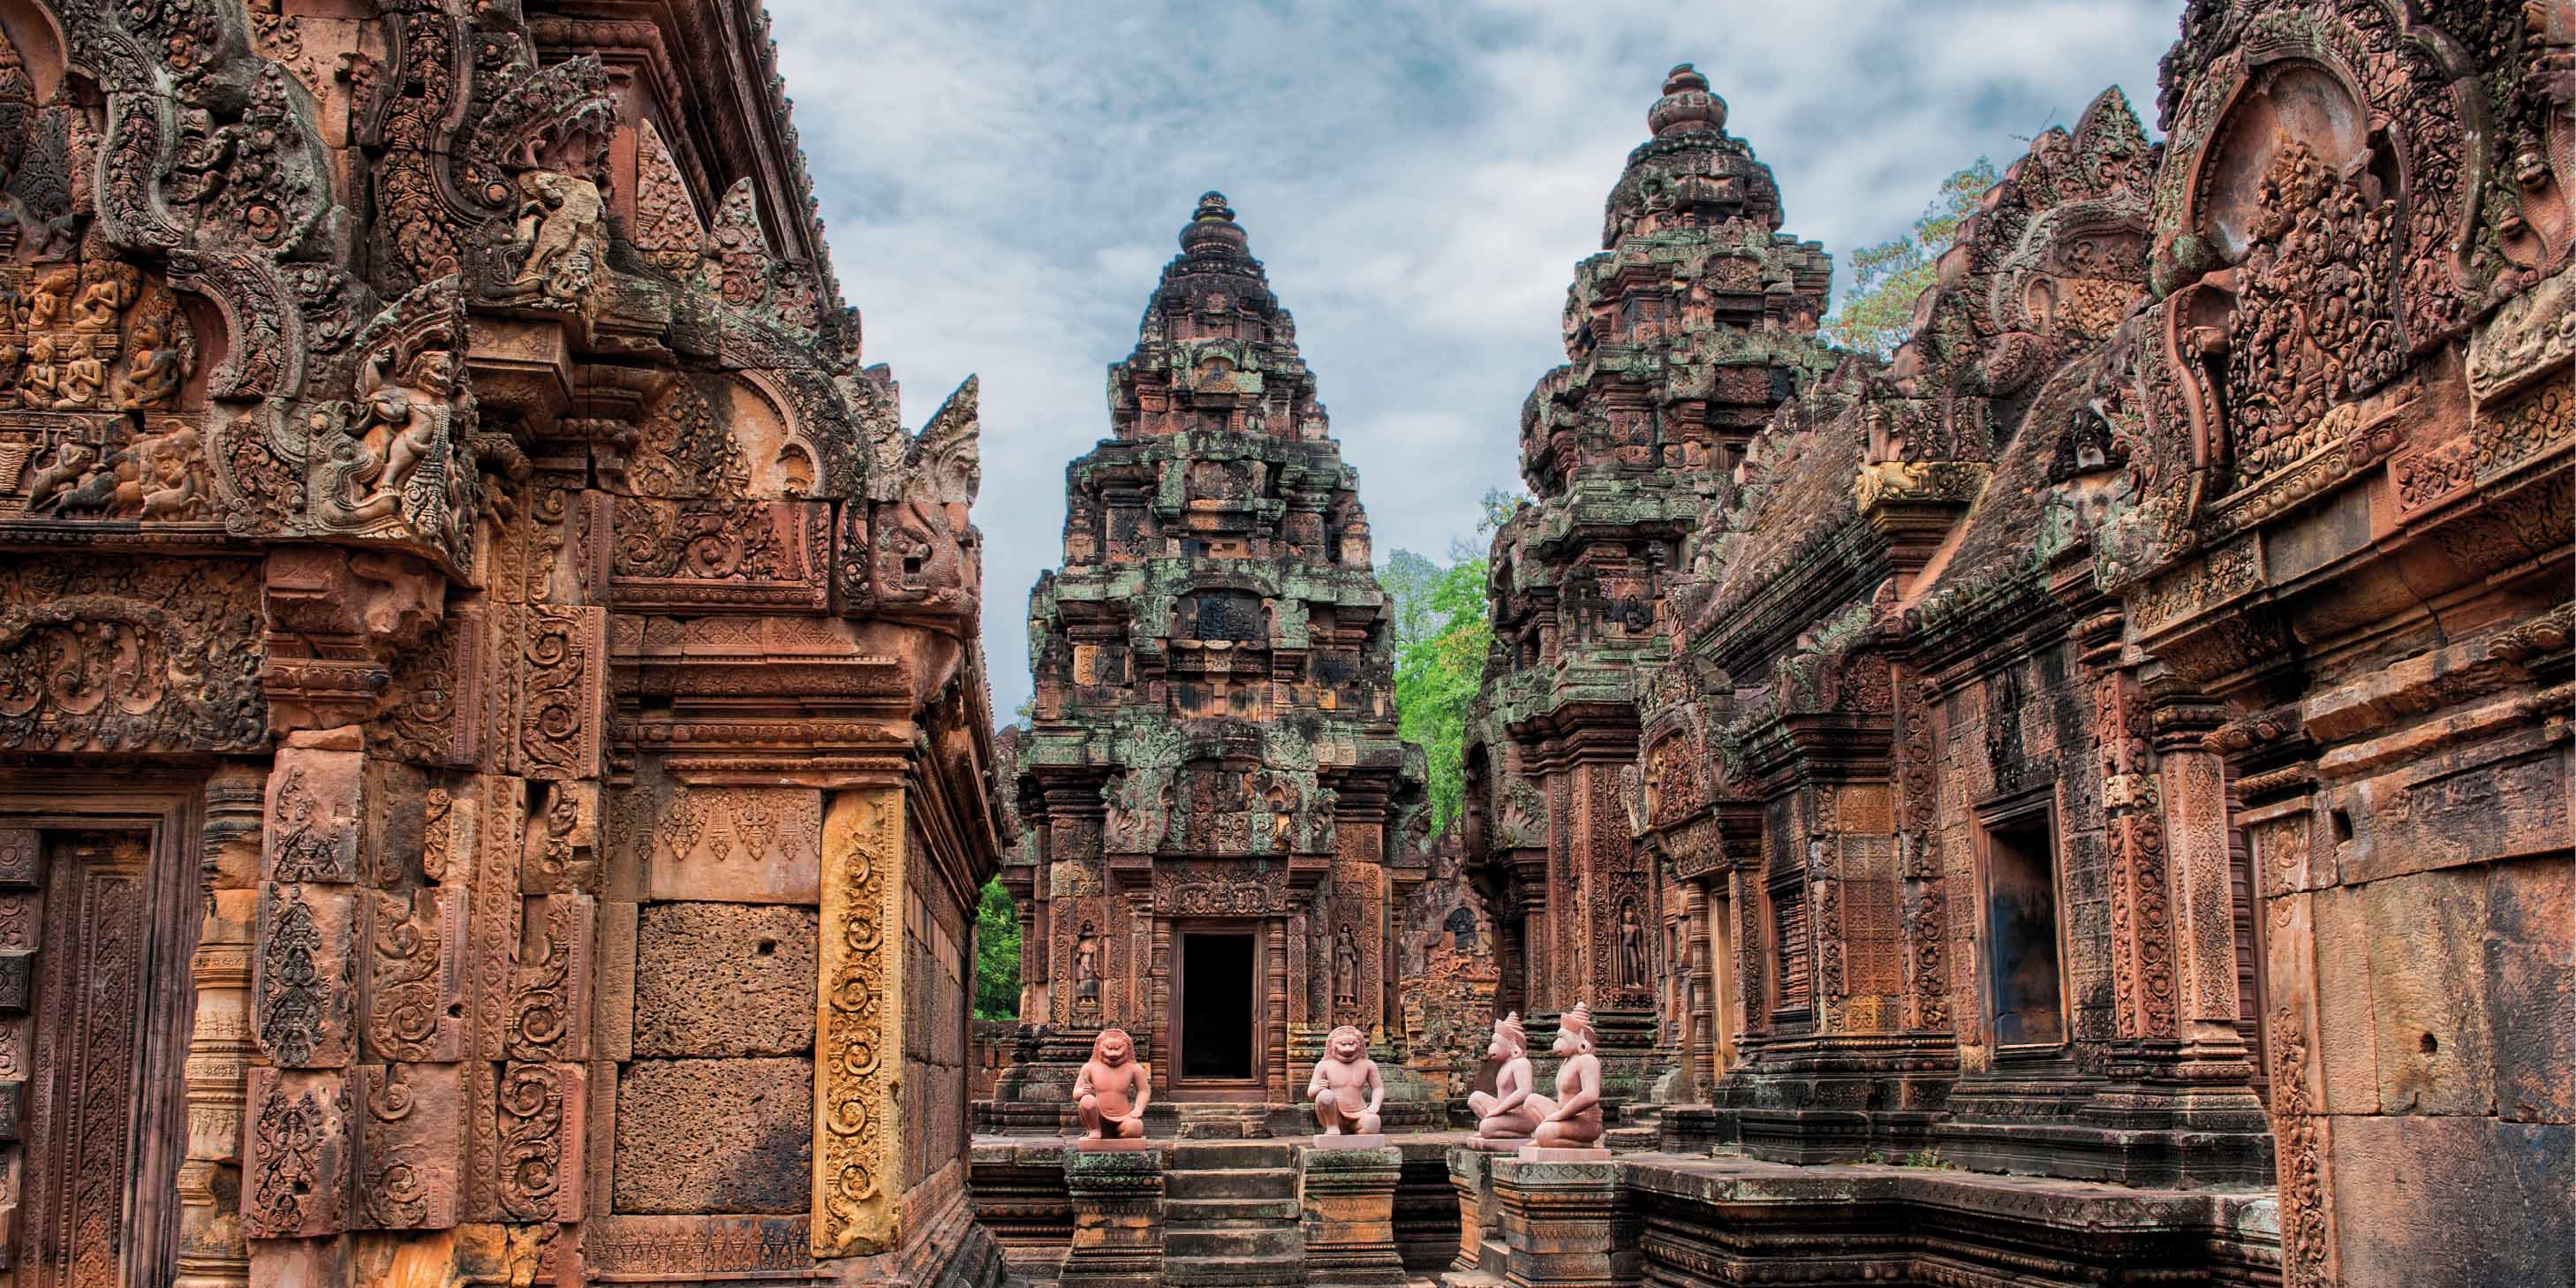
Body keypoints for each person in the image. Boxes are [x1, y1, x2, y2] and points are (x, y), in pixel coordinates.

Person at [1074, 1026, 1149, 1140]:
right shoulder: (1089, 1068)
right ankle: (1095, 1130)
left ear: (1127, 1047)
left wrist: (1138, 1108)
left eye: (1117, 1048)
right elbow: (1076, 1094)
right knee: (1087, 1101)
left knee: (1136, 1127)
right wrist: (1082, 1091)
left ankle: (1115, 1135)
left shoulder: (1135, 1069)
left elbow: (1144, 1091)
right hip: (1098, 1117)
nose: (1113, 1053)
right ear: (1100, 1047)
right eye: (1109, 1048)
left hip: (1124, 1117)